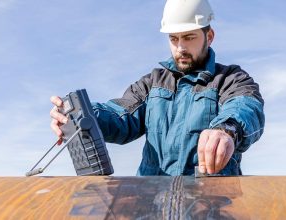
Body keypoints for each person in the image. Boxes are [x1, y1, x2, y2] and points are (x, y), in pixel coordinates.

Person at [50, 0, 264, 176]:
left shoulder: (231, 78)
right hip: (151, 203)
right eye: (174, 39)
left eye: (189, 37)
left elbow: (245, 107)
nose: (180, 47)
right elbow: (120, 116)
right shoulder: (152, 83)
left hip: (208, 204)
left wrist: (227, 130)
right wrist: (82, 115)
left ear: (209, 37)